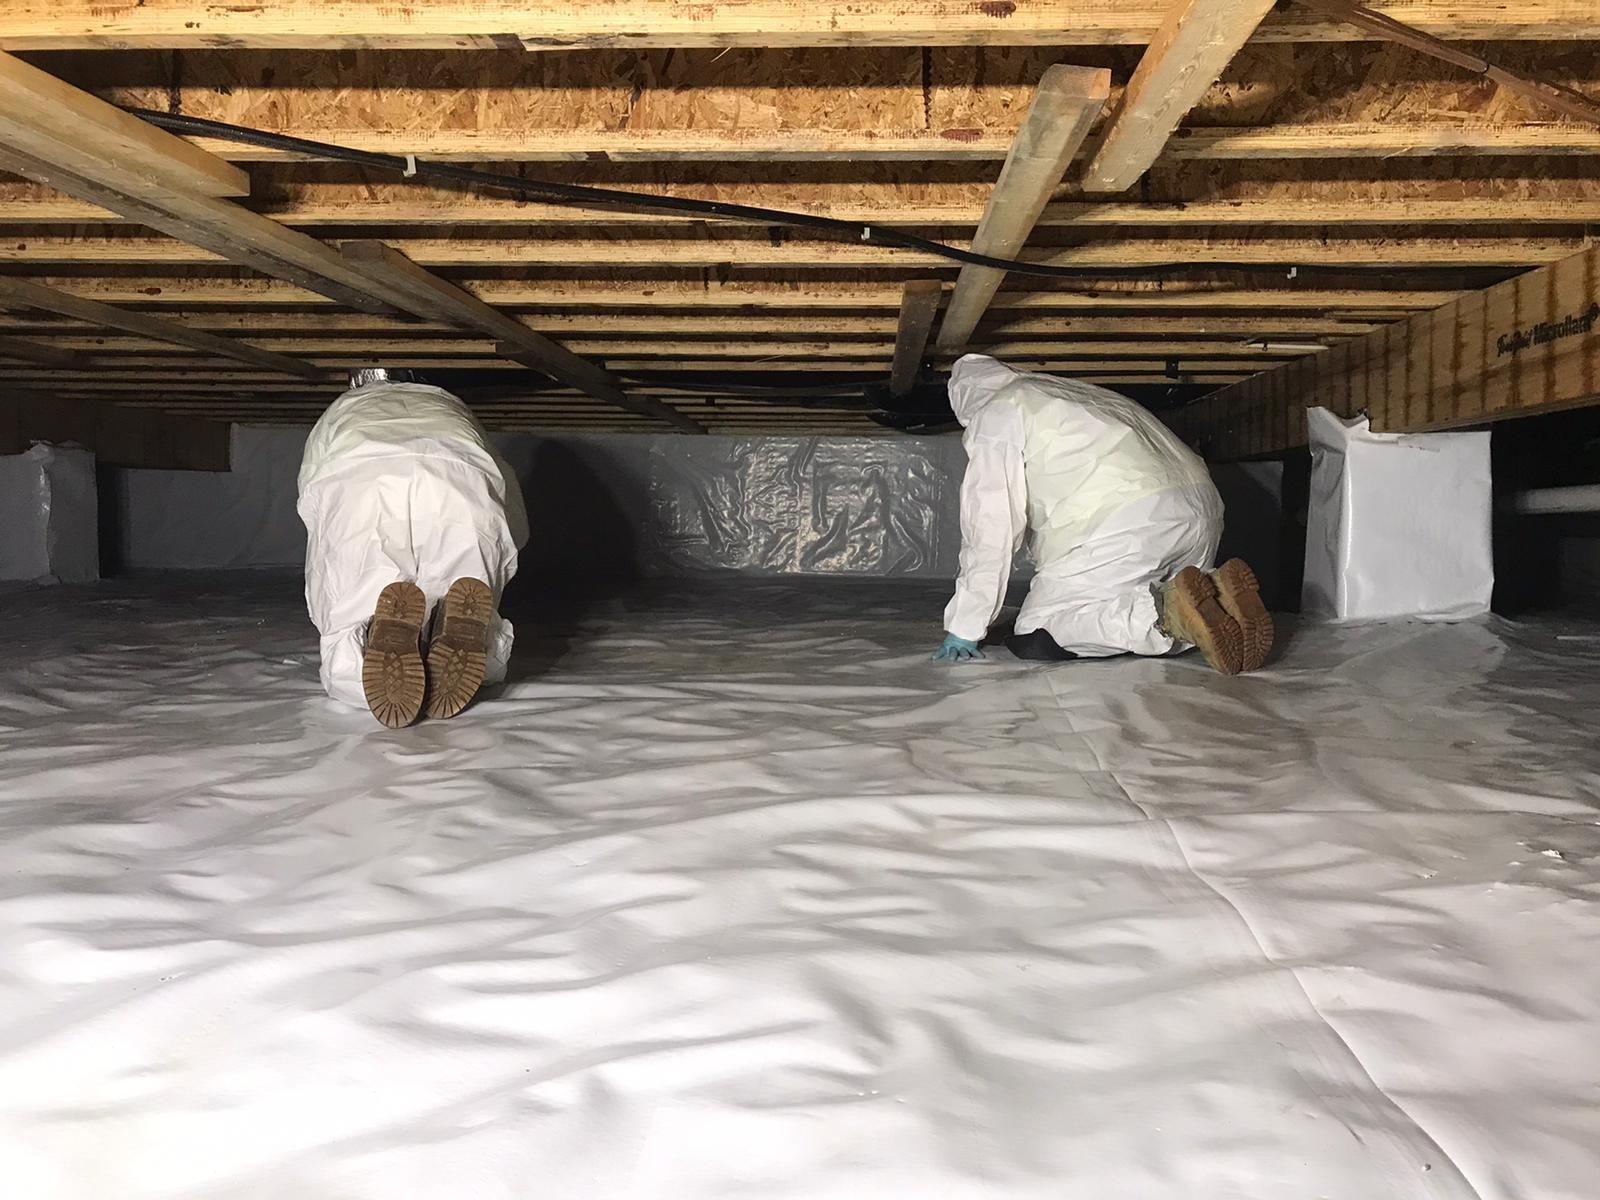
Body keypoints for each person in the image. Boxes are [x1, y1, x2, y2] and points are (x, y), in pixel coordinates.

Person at [933, 355, 1272, 675]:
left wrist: (966, 625)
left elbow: (992, 526)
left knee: (1039, 632)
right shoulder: (1075, 394)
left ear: (965, 401)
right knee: (1151, 601)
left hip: (1125, 521)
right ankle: (1215, 595)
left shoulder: (998, 411)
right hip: (1202, 511)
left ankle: (1163, 613)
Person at [296, 370, 530, 727]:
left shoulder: (341, 409)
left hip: (363, 487)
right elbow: (509, 496)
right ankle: (466, 644)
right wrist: (502, 543)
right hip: (460, 483)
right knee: (467, 589)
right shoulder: (448, 404)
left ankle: (369, 648)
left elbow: (310, 490)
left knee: (348, 615)